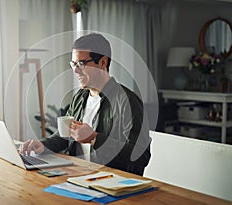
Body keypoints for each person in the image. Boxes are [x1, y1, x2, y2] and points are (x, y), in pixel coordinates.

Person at [20, 33, 151, 176]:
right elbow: (66, 135)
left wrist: (95, 138)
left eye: (81, 64)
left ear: (102, 63)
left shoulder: (127, 101)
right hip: (78, 175)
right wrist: (43, 145)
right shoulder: (80, 97)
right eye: (73, 64)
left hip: (110, 182)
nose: (75, 70)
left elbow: (141, 156)